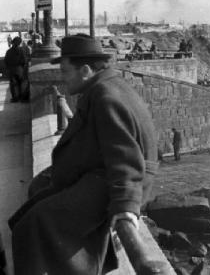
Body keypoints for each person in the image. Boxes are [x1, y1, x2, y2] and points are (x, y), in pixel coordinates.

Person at [9, 34, 158, 274]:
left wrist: (126, 210)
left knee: (32, 224)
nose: (63, 78)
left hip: (109, 181)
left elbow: (126, 160)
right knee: (37, 191)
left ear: (86, 70)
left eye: (66, 71)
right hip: (100, 173)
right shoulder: (105, 88)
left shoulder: (105, 97)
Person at [4, 36, 27, 102]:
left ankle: (15, 98)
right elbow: (24, 61)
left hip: (11, 69)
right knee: (21, 83)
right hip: (20, 69)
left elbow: (6, 61)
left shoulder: (8, 51)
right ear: (19, 43)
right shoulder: (21, 50)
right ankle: (23, 97)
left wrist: (8, 67)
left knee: (13, 84)